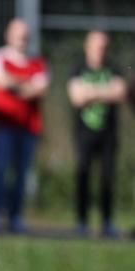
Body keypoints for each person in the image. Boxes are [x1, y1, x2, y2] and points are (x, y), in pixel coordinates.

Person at [0, 18, 50, 233]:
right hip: (5, 126)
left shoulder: (38, 62)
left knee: (22, 174)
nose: (22, 39)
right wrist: (26, 82)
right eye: (18, 34)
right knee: (0, 171)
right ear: (8, 35)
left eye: (25, 35)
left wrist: (14, 83)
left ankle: (16, 216)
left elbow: (40, 88)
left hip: (28, 127)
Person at [66, 30, 127, 238]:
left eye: (104, 46)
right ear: (87, 46)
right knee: (83, 175)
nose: (101, 50)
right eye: (97, 46)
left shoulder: (114, 68)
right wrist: (105, 91)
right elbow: (76, 97)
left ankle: (107, 221)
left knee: (108, 178)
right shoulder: (78, 68)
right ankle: (82, 221)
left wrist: (90, 91)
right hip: (84, 133)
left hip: (108, 134)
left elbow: (121, 92)